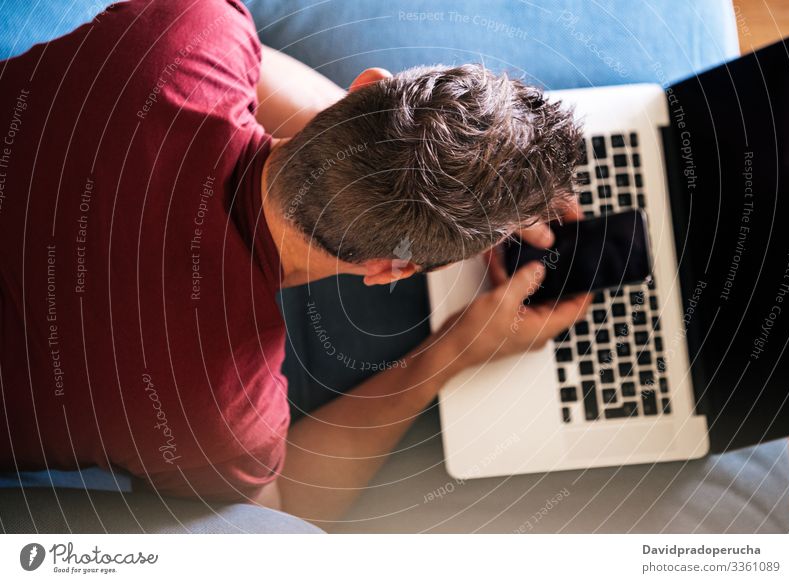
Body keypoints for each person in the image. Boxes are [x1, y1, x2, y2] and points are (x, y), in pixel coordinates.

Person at [0, 0, 590, 524]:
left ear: (362, 87)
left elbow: (253, 75)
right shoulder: (220, 415)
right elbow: (286, 514)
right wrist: (451, 354)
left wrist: (406, 168)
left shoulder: (196, 29)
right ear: (391, 270)